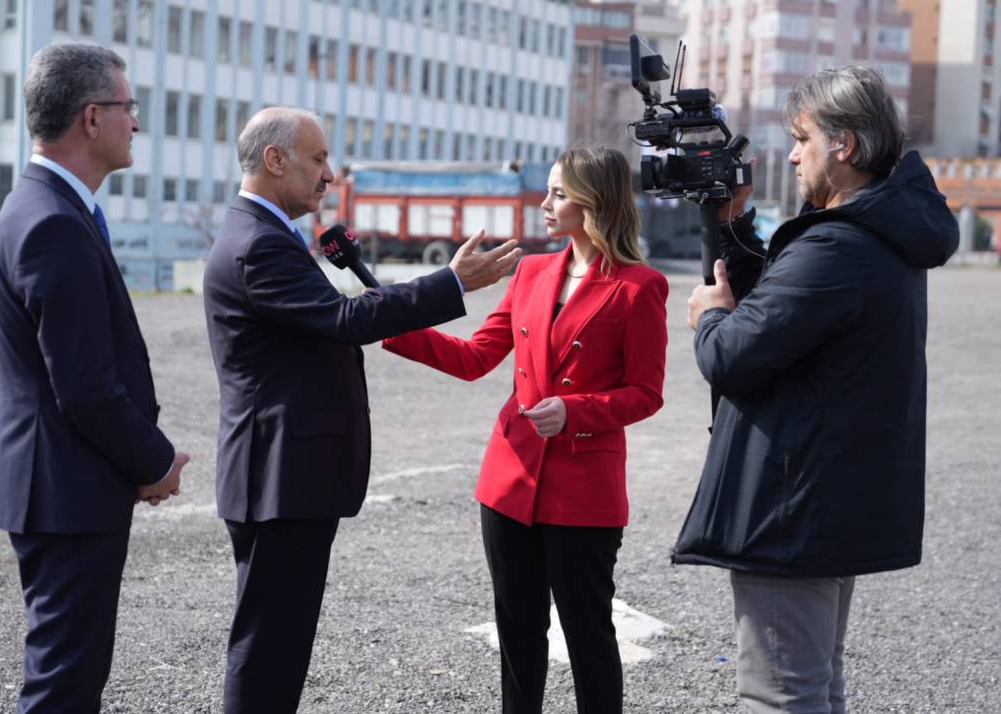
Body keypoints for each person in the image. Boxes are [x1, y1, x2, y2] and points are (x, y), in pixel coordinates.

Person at [202, 106, 521, 713]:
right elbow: (344, 320)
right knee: (268, 649)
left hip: (286, 477)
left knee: (277, 644)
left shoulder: (264, 236)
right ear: (275, 160)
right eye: (318, 159)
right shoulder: (258, 245)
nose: (329, 174)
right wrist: (450, 283)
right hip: (278, 480)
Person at [674, 66, 959, 713]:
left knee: (780, 696)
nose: (794, 153)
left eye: (802, 138)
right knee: (815, 686)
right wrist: (734, 226)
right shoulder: (881, 233)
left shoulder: (837, 247)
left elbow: (734, 353)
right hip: (825, 499)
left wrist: (709, 316)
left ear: (844, 146)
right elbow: (789, 311)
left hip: (790, 511)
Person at [383, 147, 668, 714]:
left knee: (589, 635)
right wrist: (394, 317)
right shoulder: (533, 271)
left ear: (596, 202)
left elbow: (646, 394)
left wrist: (575, 411)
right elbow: (474, 358)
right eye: (549, 190)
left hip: (585, 490)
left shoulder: (641, 287)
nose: (545, 202)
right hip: (509, 481)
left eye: (559, 193)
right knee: (517, 633)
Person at [0, 43, 189, 712]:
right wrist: (154, 461)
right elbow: (85, 388)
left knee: (68, 678)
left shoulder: (39, 208)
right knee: (63, 688)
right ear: (92, 117)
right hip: (65, 494)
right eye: (129, 108)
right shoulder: (52, 225)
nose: (137, 123)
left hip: (61, 487)